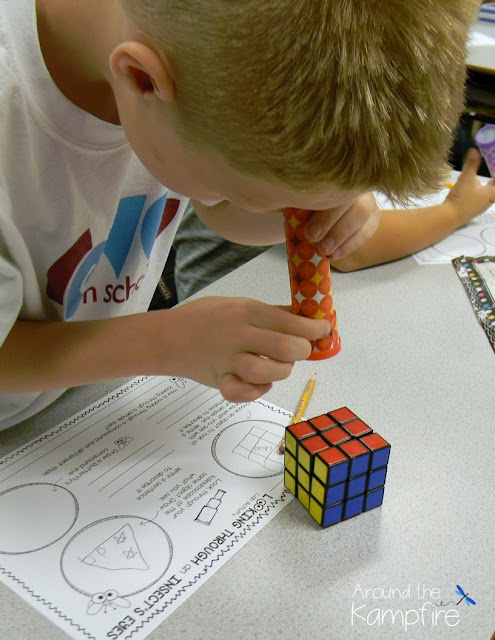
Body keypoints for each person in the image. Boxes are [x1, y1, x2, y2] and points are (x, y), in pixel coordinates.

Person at [0, 0, 479, 430]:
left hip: (73, 410)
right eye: (252, 195)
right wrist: (164, 343)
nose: (280, 213)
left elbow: (218, 210)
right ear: (140, 78)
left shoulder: (191, 67)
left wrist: (319, 204)